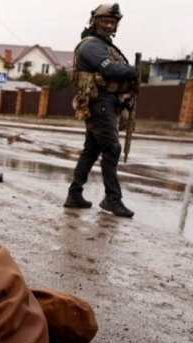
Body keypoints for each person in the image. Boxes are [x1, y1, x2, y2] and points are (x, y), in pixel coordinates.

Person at [64, 3, 139, 217]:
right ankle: (112, 199)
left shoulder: (105, 45)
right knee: (112, 148)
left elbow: (114, 76)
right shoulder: (91, 45)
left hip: (106, 101)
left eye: (112, 22)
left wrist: (125, 98)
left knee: (91, 150)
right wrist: (132, 71)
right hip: (98, 102)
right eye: (105, 21)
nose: (108, 25)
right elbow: (109, 69)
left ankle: (74, 194)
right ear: (95, 22)